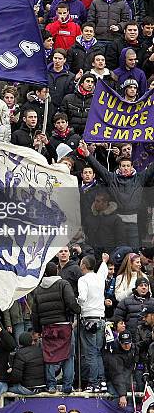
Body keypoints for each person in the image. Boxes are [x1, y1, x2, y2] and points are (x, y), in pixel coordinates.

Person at [79, 139, 154, 249]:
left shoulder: (139, 178)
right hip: (116, 220)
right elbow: (98, 167)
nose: (126, 168)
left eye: (128, 166)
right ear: (119, 167)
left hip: (134, 220)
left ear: (132, 167)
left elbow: (152, 169)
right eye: (123, 166)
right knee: (118, 248)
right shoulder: (112, 178)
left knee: (134, 249)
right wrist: (87, 154)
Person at [32, 262, 80, 394]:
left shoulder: (38, 289)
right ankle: (67, 386)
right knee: (68, 356)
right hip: (64, 326)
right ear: (57, 271)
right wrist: (78, 309)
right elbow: (71, 302)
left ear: (45, 273)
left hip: (47, 328)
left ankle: (51, 385)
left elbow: (34, 313)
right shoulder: (63, 284)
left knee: (49, 357)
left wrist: (37, 330)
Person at [78, 253, 109, 393]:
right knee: (97, 352)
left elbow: (82, 298)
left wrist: (76, 301)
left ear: (83, 265)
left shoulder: (83, 280)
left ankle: (93, 383)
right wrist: (103, 261)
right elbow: (104, 270)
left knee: (90, 353)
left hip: (88, 319)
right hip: (101, 319)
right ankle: (102, 381)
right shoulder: (100, 278)